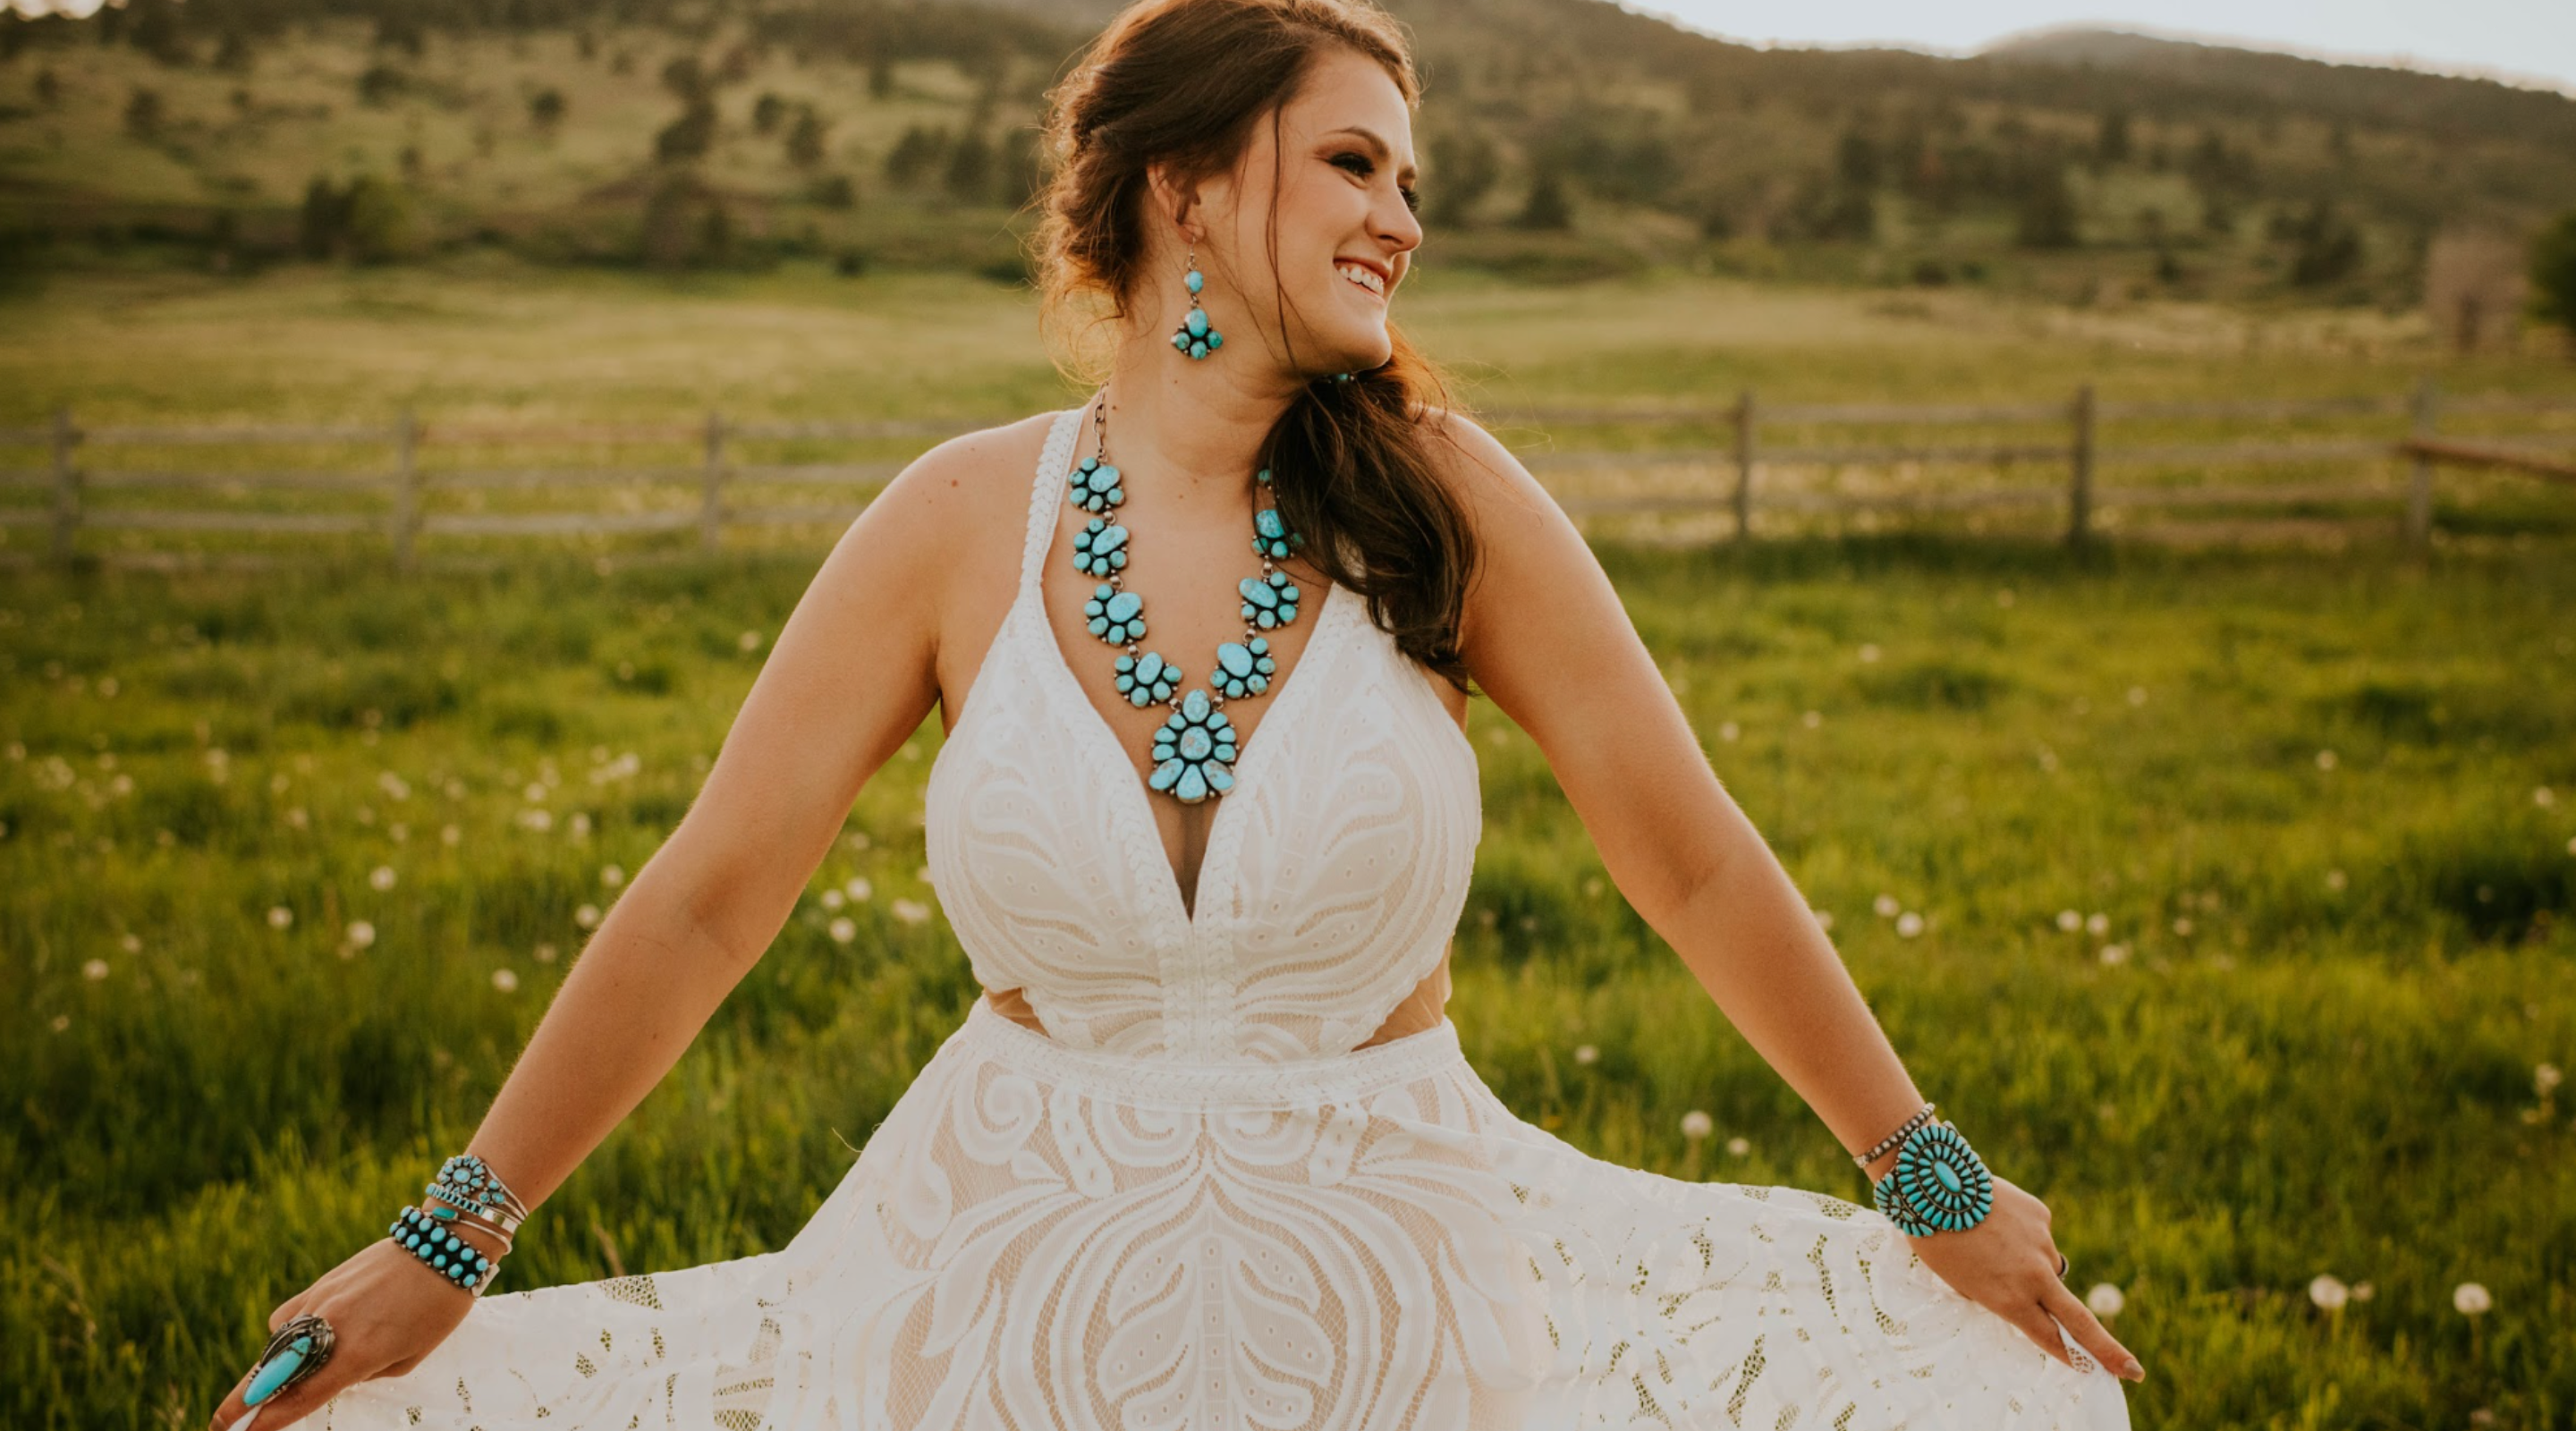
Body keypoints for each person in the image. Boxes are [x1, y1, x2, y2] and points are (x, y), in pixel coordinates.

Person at [209, 0, 2145, 1425]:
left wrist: (1928, 1170)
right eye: (1356, 162)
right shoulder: (958, 518)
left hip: (1396, 1308)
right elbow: (713, 892)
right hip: (1005, 1304)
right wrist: (453, 1232)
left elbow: (1696, 857)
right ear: (1191, 187)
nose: (1402, 217)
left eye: (1412, 178)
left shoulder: (1450, 495)